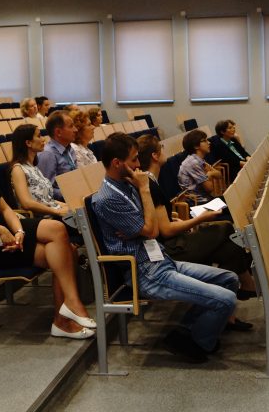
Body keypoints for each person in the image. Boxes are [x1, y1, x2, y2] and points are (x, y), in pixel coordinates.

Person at [92, 132, 238, 362]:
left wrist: (141, 224)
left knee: (229, 279)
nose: (138, 165)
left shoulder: (128, 183)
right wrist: (144, 193)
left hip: (161, 260)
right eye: (133, 159)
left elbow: (150, 227)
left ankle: (186, 333)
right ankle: (198, 343)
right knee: (226, 300)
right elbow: (152, 230)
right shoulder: (108, 198)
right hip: (146, 273)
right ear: (117, 163)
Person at [0, 125, 94, 339]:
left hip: (2, 237)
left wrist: (19, 231)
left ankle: (66, 312)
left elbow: (5, 209)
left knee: (61, 240)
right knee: (65, 249)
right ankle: (65, 315)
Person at [137, 134, 257, 306]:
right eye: (161, 148)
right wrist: (200, 219)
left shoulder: (151, 181)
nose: (164, 151)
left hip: (172, 240)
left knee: (228, 247)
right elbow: (166, 231)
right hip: (170, 248)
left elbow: (159, 219)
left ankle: (238, 292)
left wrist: (175, 218)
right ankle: (234, 289)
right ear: (155, 156)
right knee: (225, 229)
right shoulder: (150, 185)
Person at [9, 124, 67, 219]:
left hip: (52, 213)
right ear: (28, 143)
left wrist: (66, 206)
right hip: (40, 219)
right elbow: (26, 203)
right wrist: (56, 211)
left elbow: (47, 200)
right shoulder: (18, 169)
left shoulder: (34, 167)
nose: (43, 139)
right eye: (39, 136)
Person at [37, 111, 78, 200]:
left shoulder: (70, 149)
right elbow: (46, 189)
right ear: (58, 132)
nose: (76, 130)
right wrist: (72, 193)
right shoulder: (47, 154)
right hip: (63, 201)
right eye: (71, 126)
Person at [177, 129, 222, 205]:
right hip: (199, 203)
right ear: (196, 146)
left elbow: (219, 175)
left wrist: (210, 173)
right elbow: (210, 188)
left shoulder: (198, 159)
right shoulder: (193, 163)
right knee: (231, 205)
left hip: (205, 198)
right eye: (204, 141)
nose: (209, 142)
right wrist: (210, 173)